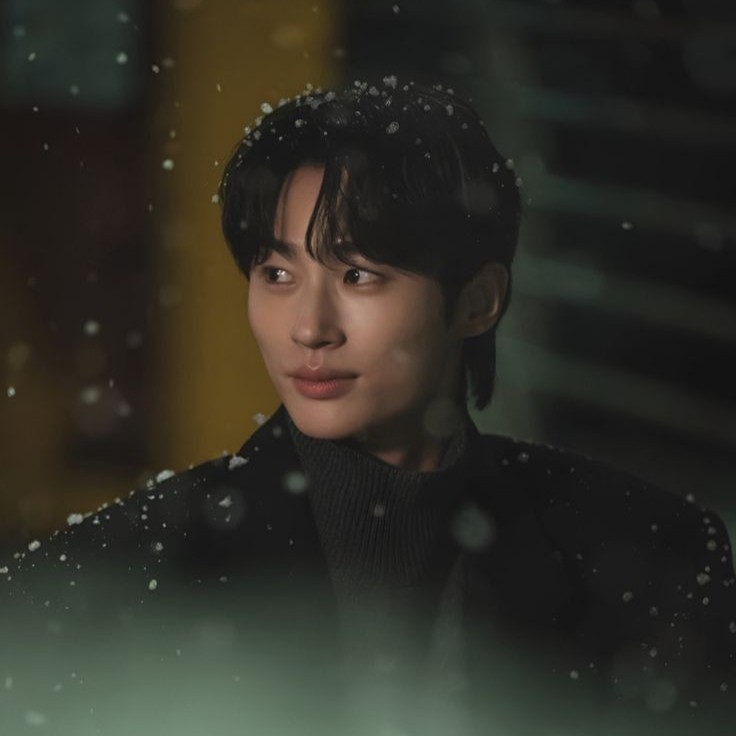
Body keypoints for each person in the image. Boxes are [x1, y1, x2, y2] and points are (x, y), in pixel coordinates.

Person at [1, 78, 734, 736]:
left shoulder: (650, 558)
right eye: (277, 273)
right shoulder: (105, 579)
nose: (309, 328)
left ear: (478, 301)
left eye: (357, 274)